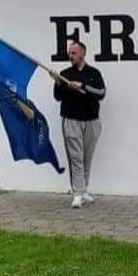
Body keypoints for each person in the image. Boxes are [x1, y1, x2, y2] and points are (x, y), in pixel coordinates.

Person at [50, 41, 106, 208]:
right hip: (71, 120)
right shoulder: (64, 73)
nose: (70, 56)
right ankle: (77, 193)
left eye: (73, 53)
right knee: (76, 158)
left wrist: (83, 86)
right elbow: (57, 97)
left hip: (92, 121)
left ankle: (84, 189)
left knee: (86, 157)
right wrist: (58, 83)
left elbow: (101, 93)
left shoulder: (93, 73)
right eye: (69, 53)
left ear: (82, 54)